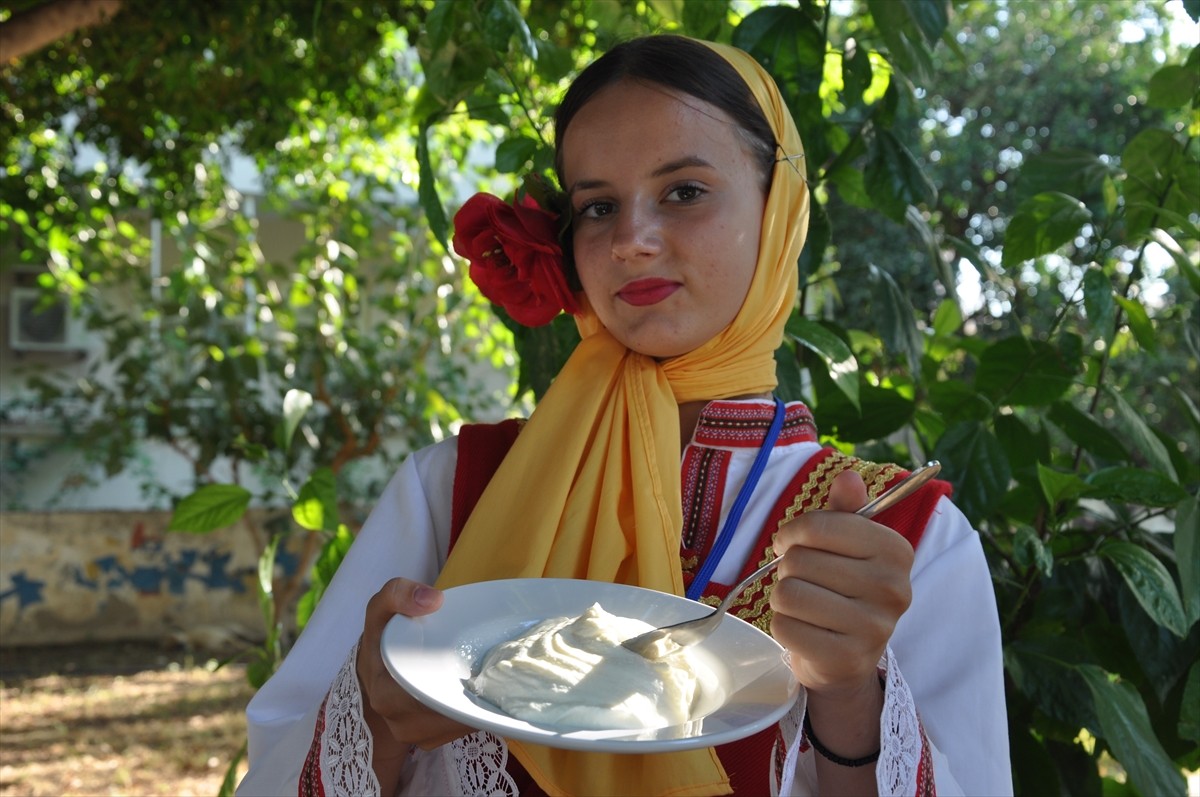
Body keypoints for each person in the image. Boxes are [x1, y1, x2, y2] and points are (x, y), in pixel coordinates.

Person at [236, 35, 1011, 797]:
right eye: (598, 206)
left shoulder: (901, 539)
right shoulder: (453, 489)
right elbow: (278, 765)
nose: (632, 242)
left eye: (684, 191)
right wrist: (374, 710)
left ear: (780, 213)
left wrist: (848, 695)